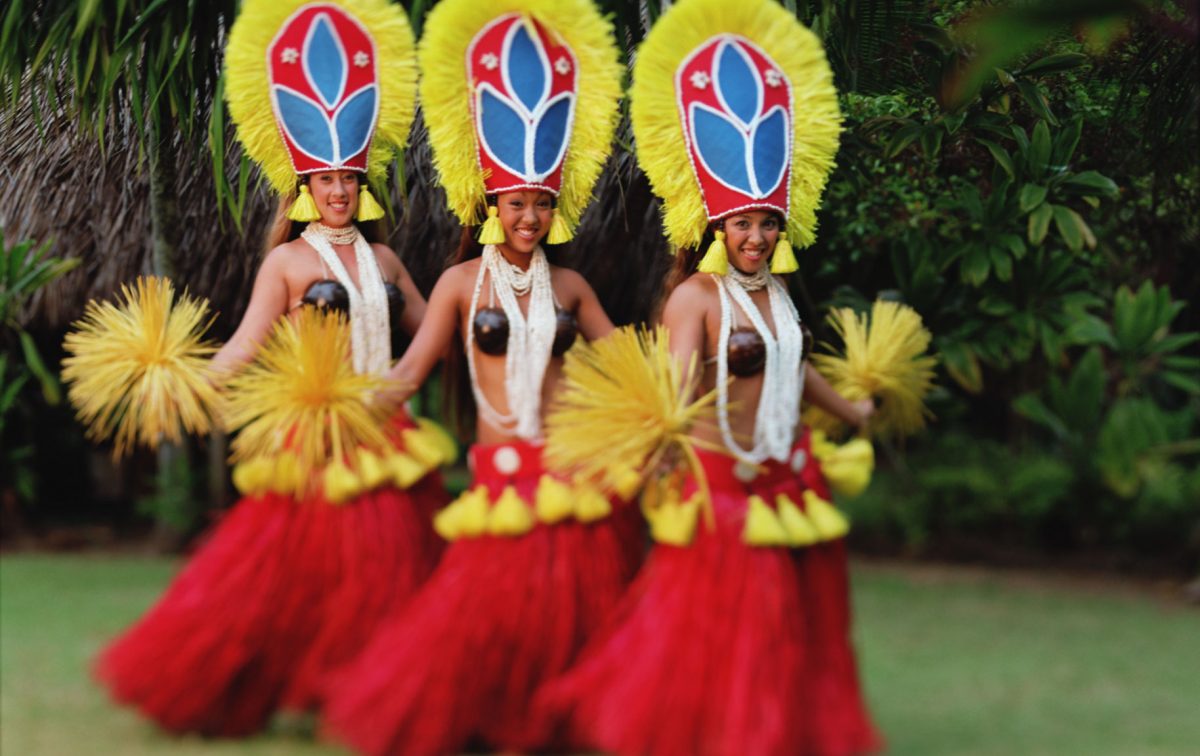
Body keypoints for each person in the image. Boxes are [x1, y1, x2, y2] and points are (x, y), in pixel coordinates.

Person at [93, 0, 450, 736]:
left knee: (386, 578)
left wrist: (410, 375)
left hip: (388, 437)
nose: (339, 191)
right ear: (304, 188)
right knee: (285, 577)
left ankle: (359, 693)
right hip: (315, 442)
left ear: (363, 183)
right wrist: (182, 380)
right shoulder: (286, 262)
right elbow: (245, 345)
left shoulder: (385, 260)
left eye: (349, 178)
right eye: (325, 180)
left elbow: (435, 326)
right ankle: (228, 680)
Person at [537, 0, 883, 753]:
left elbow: (800, 372)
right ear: (715, 227)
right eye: (742, 225)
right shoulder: (694, 298)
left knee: (793, 633)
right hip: (723, 490)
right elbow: (677, 384)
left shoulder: (781, 297)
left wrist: (849, 411)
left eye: (766, 223)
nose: (756, 237)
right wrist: (653, 449)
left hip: (791, 482)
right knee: (719, 636)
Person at [321, 1, 634, 753]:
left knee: (569, 612)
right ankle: (485, 717)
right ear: (493, 203)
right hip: (500, 474)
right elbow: (410, 369)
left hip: (567, 468)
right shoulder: (461, 284)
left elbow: (632, 367)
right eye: (517, 202)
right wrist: (336, 410)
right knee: (487, 612)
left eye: (540, 204)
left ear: (554, 209)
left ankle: (557, 721)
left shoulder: (573, 289)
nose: (528, 216)